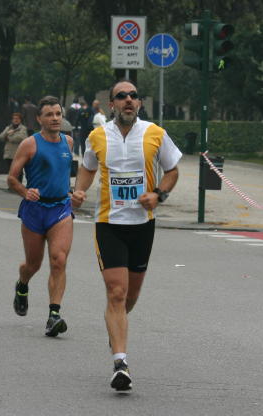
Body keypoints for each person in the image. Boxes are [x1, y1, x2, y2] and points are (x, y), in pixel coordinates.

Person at [71, 79, 182, 391]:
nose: (129, 100)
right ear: (112, 104)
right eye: (122, 96)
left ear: (139, 103)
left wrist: (159, 194)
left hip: (142, 225)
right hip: (109, 224)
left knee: (130, 297)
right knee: (116, 293)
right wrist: (79, 190)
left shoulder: (155, 133)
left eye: (134, 96)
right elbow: (88, 168)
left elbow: (173, 170)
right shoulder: (97, 136)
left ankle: (115, 325)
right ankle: (120, 363)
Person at [7, 95, 75, 337]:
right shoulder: (29, 144)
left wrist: (74, 192)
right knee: (33, 265)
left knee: (59, 260)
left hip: (61, 209)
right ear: (39, 119)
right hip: (35, 211)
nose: (55, 118)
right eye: (49, 114)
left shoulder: (68, 142)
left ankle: (53, 315)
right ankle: (22, 284)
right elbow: (12, 178)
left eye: (58, 114)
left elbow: (65, 173)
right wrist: (26, 191)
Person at [0, 112, 27, 181]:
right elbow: (1, 136)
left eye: (17, 119)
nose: (15, 120)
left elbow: (21, 137)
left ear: (20, 120)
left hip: (18, 154)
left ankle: (18, 184)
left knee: (19, 171)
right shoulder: (8, 127)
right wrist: (7, 133)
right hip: (9, 154)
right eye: (14, 118)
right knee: (11, 171)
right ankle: (12, 184)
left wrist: (9, 137)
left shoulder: (23, 128)